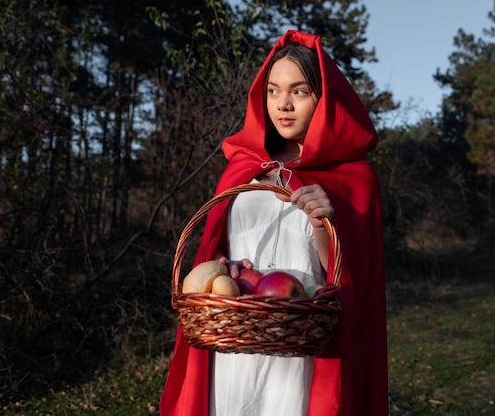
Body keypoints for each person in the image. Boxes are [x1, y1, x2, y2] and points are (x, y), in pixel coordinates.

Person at [160, 29, 388, 416]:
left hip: (302, 347)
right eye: (273, 90)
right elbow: (219, 252)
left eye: (299, 91)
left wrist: (322, 223)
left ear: (324, 99)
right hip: (235, 341)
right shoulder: (242, 170)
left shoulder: (352, 179)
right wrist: (225, 267)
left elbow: (355, 281)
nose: (283, 103)